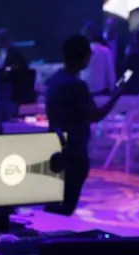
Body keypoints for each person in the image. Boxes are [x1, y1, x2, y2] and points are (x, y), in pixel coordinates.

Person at [44, 34, 125, 215]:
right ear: (84, 57)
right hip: (74, 151)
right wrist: (115, 97)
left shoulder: (54, 80)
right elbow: (94, 115)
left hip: (54, 148)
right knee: (65, 207)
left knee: (53, 206)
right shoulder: (77, 85)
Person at [82, 23, 116, 95]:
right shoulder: (105, 51)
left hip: (84, 88)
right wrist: (112, 88)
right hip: (100, 89)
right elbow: (110, 72)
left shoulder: (82, 50)